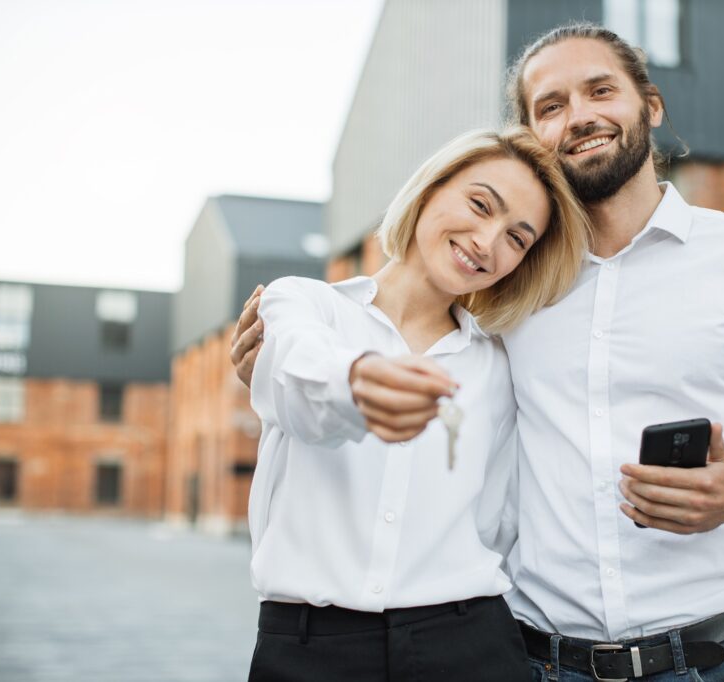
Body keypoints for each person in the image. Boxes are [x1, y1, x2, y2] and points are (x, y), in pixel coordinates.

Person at [232, 23, 724, 682]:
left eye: (601, 90)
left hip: (711, 659)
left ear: (650, 105)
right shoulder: (509, 301)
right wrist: (306, 378)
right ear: (530, 136)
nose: (580, 116)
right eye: (551, 106)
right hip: (538, 660)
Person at [244, 126, 590, 682]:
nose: (486, 241)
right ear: (431, 188)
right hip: (310, 649)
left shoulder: (497, 366)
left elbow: (503, 515)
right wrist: (360, 382)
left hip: (469, 644)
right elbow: (295, 381)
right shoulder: (306, 303)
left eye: (516, 238)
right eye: (480, 205)